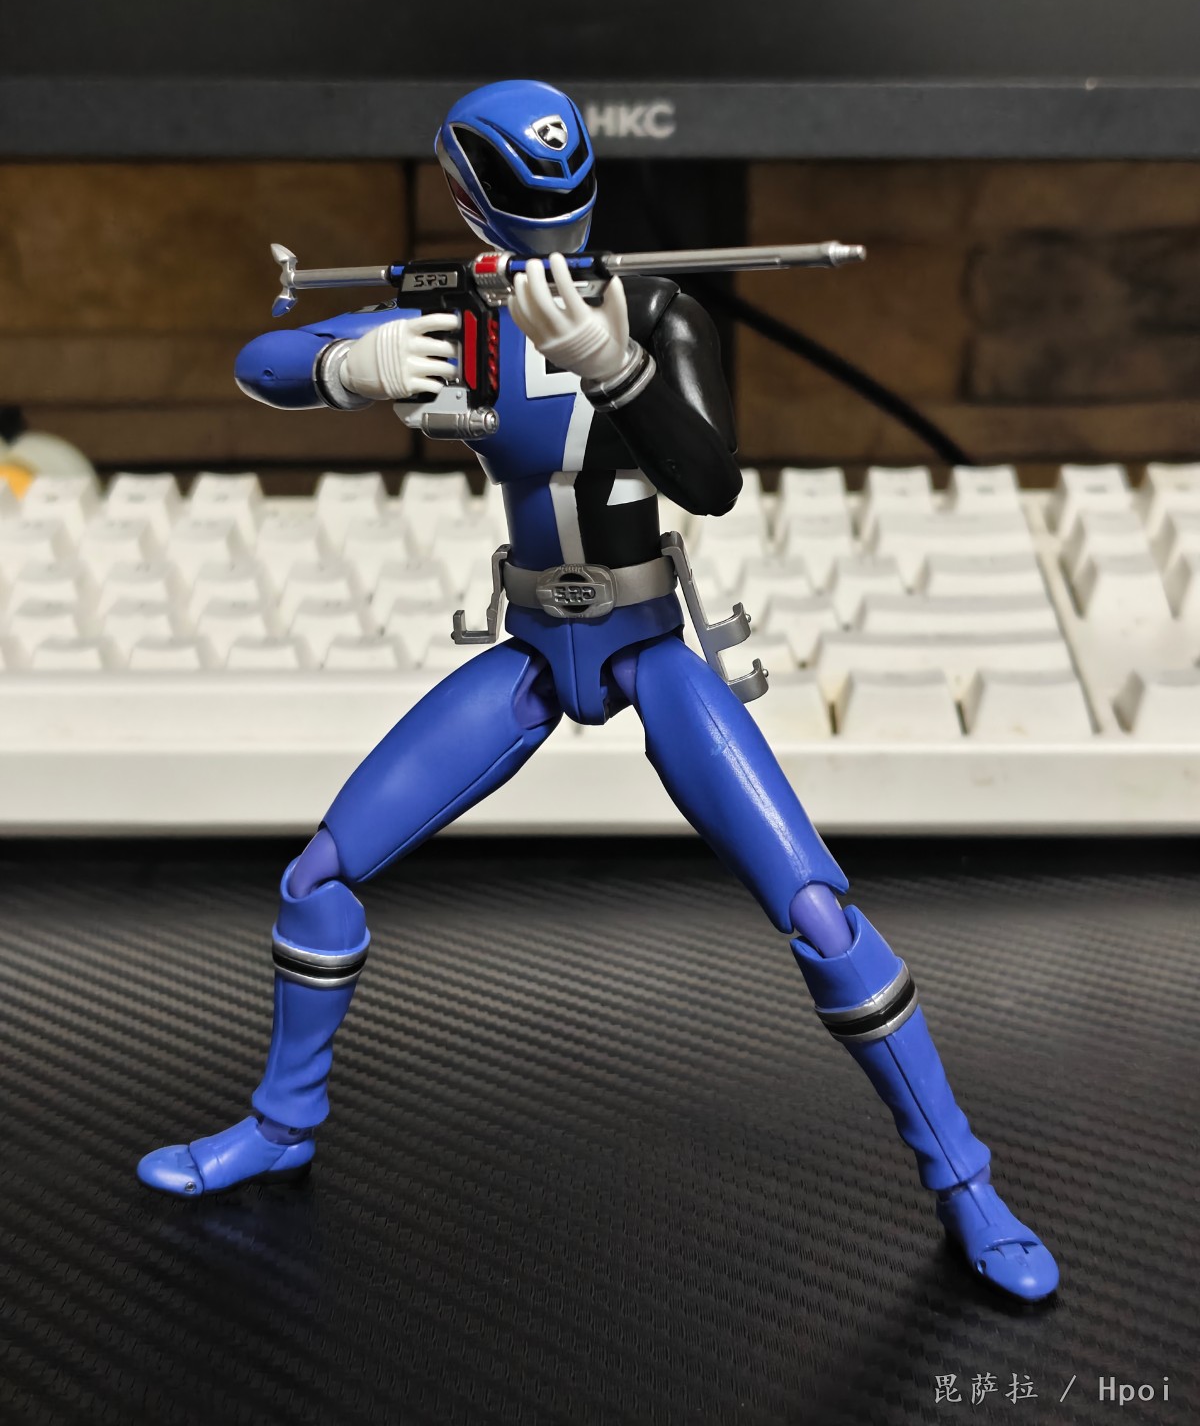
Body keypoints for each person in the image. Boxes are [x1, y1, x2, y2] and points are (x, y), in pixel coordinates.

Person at [138, 79, 1058, 1302]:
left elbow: (710, 475)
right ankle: (281, 1122)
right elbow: (261, 362)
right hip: (530, 649)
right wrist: (348, 364)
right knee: (319, 877)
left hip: (644, 645)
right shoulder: (454, 312)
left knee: (820, 912)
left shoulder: (652, 310)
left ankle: (967, 1181)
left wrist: (613, 364)